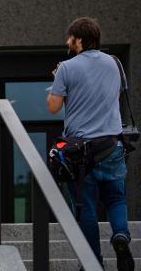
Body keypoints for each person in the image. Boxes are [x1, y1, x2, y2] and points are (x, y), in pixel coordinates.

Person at [48, 17, 134, 270]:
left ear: (79, 40)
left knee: (85, 208)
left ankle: (93, 263)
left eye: (70, 37)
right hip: (112, 144)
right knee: (116, 199)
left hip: (80, 150)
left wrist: (58, 81)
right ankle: (120, 234)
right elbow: (111, 95)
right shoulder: (116, 64)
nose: (67, 41)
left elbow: (53, 107)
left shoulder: (66, 67)